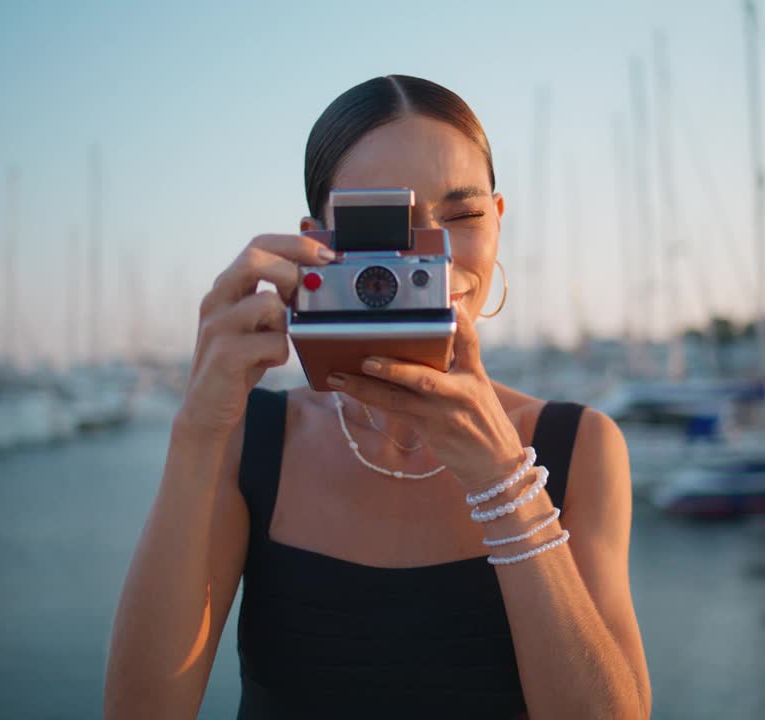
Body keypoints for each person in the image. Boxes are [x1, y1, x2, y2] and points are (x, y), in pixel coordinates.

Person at [104, 75, 650, 719]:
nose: (431, 253)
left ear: (498, 222)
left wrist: (505, 482)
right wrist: (197, 429)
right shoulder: (252, 438)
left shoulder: (577, 445)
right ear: (317, 242)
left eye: (463, 215)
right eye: (381, 223)